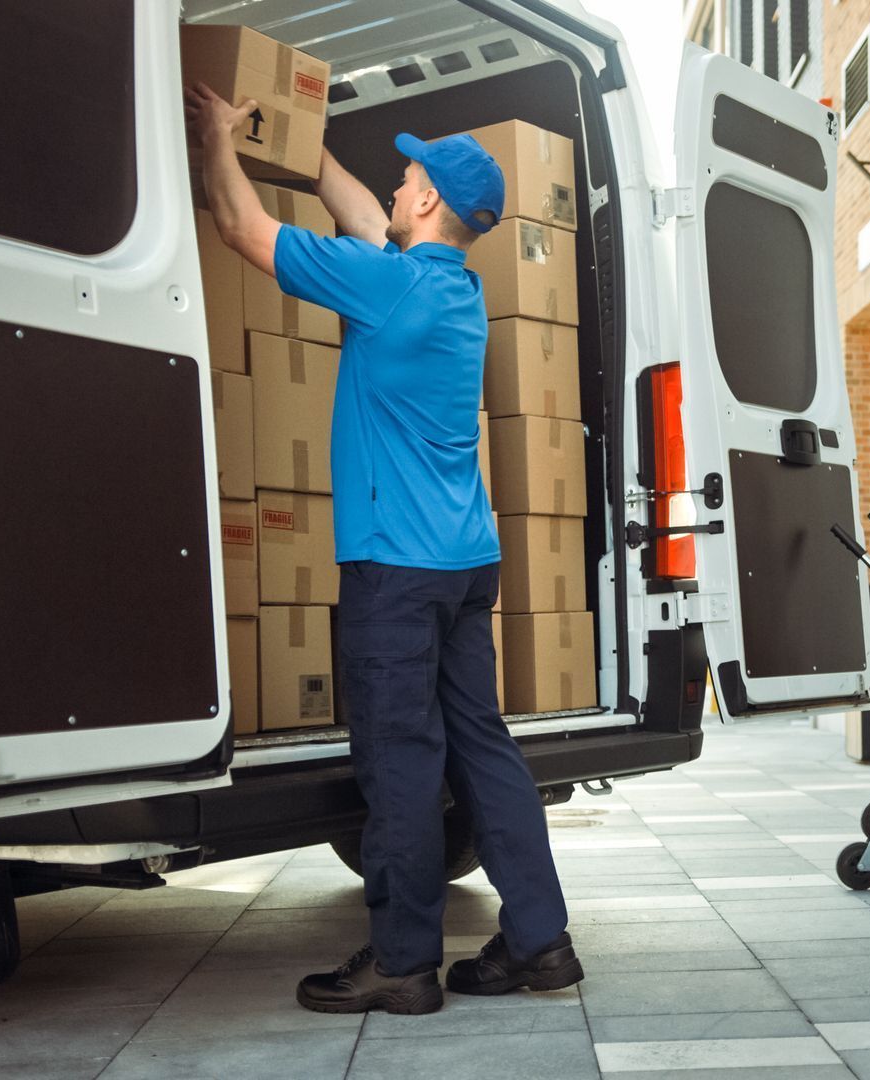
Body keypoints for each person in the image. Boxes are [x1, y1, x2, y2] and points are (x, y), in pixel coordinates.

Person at [185, 82, 581, 1016]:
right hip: (461, 562)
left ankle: (402, 962)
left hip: (395, 573)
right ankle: (540, 941)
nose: (395, 189)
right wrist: (298, 140)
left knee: (401, 760)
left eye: (407, 180)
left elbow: (244, 228)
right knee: (482, 747)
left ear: (431, 202)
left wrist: (217, 142)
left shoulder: (390, 285)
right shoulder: (452, 289)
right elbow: (365, 218)